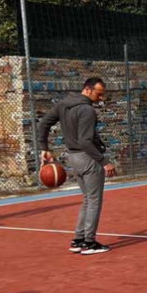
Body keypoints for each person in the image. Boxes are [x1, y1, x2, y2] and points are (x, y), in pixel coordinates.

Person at [38, 77, 117, 255]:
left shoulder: (63, 104)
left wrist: (44, 148)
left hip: (72, 157)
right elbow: (85, 141)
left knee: (88, 199)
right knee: (94, 200)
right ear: (87, 90)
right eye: (99, 93)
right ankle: (89, 242)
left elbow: (43, 123)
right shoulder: (87, 110)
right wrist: (105, 162)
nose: (101, 98)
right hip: (88, 158)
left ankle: (78, 239)